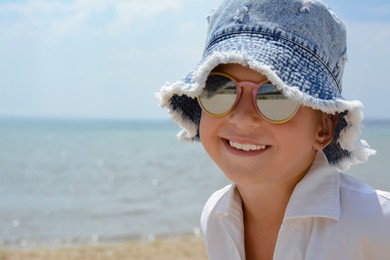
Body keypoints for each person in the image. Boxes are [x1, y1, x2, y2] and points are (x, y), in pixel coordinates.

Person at [157, 0, 390, 259]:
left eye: (277, 96)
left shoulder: (376, 221)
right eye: (219, 89)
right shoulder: (216, 215)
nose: (243, 118)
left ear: (324, 127)